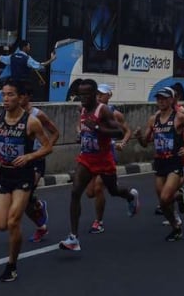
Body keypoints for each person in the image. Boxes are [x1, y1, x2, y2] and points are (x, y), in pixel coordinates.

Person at [0, 79, 53, 282]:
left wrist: (29, 157)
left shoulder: (31, 121)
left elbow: (47, 146)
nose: (6, 99)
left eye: (10, 95)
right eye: (3, 95)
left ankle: (11, 266)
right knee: (0, 224)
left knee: (14, 221)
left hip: (24, 175)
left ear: (20, 97)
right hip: (5, 175)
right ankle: (38, 209)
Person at [59, 79, 139, 251]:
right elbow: (83, 127)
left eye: (87, 95)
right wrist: (82, 134)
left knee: (113, 191)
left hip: (104, 159)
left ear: (95, 95)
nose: (83, 98)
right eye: (81, 95)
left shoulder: (103, 111)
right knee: (75, 192)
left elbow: (118, 132)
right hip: (87, 158)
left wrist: (96, 127)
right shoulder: (82, 109)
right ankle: (73, 237)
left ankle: (130, 196)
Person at [135, 87, 184, 241]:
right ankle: (176, 227)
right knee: (163, 201)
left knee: (165, 198)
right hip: (160, 162)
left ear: (172, 100)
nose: (161, 101)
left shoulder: (179, 117)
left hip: (174, 161)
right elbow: (145, 143)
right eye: (159, 98)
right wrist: (139, 136)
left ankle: (177, 203)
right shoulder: (153, 119)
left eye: (165, 98)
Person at [85, 83, 132, 235]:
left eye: (102, 93)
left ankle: (98, 222)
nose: (98, 96)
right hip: (91, 156)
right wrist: (80, 133)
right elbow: (80, 126)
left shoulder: (115, 114)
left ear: (109, 96)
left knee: (99, 188)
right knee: (90, 193)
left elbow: (127, 131)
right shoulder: (87, 111)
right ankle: (129, 195)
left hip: (107, 156)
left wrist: (122, 143)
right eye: (97, 93)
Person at [21, 89, 60, 243]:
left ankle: (39, 223)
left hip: (36, 159)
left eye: (22, 94)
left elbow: (55, 132)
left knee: (26, 193)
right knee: (25, 199)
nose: (19, 98)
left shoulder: (38, 115)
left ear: (28, 96)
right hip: (21, 159)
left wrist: (45, 149)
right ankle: (39, 215)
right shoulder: (11, 114)